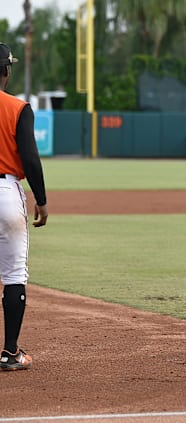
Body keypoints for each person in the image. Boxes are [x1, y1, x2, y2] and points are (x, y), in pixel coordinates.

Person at [0, 43, 48, 371]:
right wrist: (41, 199)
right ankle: (10, 352)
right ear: (6, 70)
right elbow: (29, 157)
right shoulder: (18, 108)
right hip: (5, 192)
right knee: (14, 274)